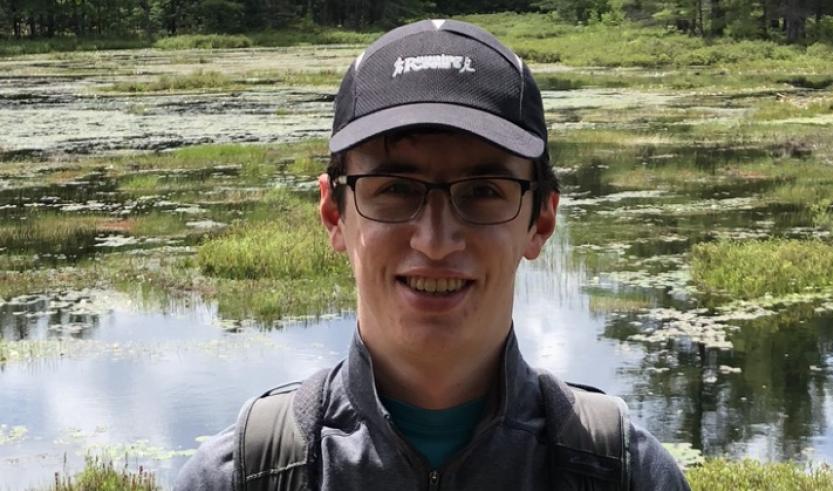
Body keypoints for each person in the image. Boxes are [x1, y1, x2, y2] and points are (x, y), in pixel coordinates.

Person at [176, 19, 690, 491]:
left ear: (542, 220)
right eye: (395, 187)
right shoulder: (241, 478)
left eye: (484, 190)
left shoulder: (625, 474)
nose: (436, 240)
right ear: (334, 214)